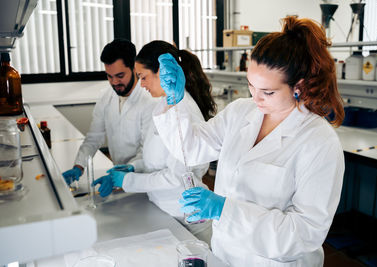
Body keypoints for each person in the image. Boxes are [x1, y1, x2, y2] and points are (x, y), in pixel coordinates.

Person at [152, 16, 345, 266]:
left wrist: (225, 210)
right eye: (251, 86)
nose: (256, 98)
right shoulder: (242, 111)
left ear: (299, 86)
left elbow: (304, 234)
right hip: (224, 254)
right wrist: (175, 101)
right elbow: (191, 148)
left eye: (268, 92)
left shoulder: (319, 142)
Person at [93, 40, 217, 244]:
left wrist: (126, 182)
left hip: (190, 221)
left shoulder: (185, 112)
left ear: (163, 72)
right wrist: (133, 167)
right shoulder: (163, 105)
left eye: (143, 77)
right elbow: (154, 155)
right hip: (165, 211)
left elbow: (176, 177)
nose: (141, 84)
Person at [62, 39, 156, 186]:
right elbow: (94, 137)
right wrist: (79, 166)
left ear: (134, 68)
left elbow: (147, 152)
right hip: (116, 173)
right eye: (109, 76)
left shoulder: (149, 101)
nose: (114, 82)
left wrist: (126, 172)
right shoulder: (105, 97)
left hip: (142, 178)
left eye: (120, 76)